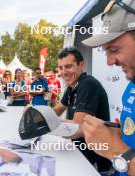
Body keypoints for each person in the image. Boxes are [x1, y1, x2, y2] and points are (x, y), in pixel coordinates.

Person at [81, 0, 135, 175]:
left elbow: (121, 150)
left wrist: (116, 149)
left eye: (114, 49)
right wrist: (110, 133)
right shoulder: (131, 88)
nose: (109, 62)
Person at [53, 47, 111, 173]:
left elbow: (77, 128)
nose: (63, 72)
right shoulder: (72, 87)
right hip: (79, 155)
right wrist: (38, 113)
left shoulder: (87, 84)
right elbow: (57, 110)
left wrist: (46, 123)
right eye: (60, 68)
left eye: (68, 66)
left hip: (94, 162)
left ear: (81, 65)